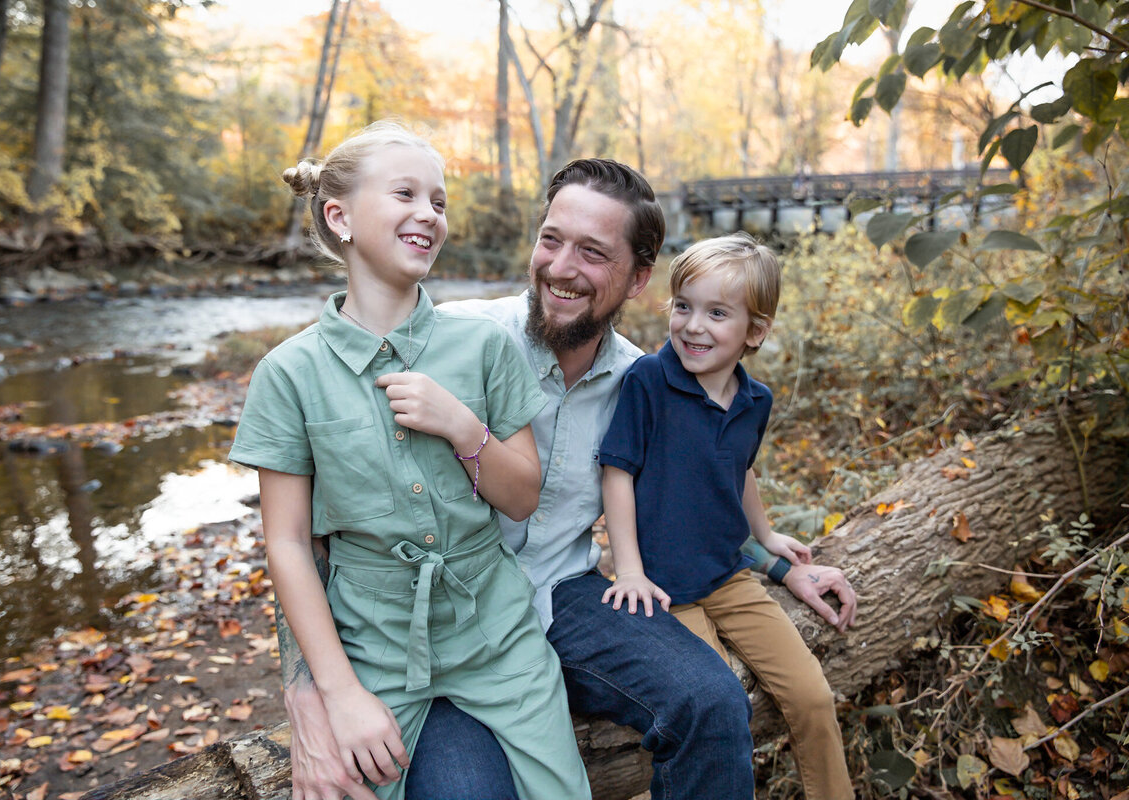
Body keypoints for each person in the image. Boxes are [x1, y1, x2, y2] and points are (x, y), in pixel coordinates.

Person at [278, 157, 859, 800]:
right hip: (441, 622)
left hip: (567, 598)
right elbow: (311, 528)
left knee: (711, 701)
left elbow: (700, 500)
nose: (560, 267)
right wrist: (306, 694)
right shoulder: (450, 340)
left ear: (639, 278)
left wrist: (780, 566)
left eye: (592, 253)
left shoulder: (649, 385)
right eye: (551, 239)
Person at [229, 121, 591, 800]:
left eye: (439, 201)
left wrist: (462, 426)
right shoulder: (288, 373)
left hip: (500, 639)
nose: (428, 213)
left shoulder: (482, 347)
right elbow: (287, 545)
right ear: (339, 217)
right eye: (405, 194)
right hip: (374, 653)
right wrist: (335, 694)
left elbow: (522, 497)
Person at [598, 234, 852, 800]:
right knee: (719, 705)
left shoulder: (753, 400)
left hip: (729, 576)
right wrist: (630, 571)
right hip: (664, 590)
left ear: (754, 332)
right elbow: (617, 474)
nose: (692, 326)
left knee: (812, 695)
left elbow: (740, 472)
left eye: (717, 313)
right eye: (683, 306)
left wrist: (765, 537)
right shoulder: (648, 383)